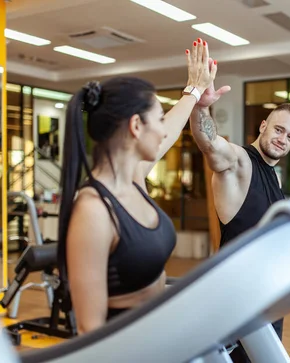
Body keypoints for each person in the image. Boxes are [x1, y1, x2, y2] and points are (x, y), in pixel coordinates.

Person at [58, 38, 219, 335]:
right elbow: (89, 329)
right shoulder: (94, 210)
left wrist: (194, 92)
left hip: (161, 335)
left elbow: (170, 131)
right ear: (135, 126)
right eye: (158, 119)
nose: (163, 129)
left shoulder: (133, 179)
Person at [189, 94, 290, 361]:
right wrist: (201, 105)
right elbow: (211, 145)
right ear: (263, 125)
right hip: (238, 298)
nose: (282, 139)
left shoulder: (272, 176)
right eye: (278, 129)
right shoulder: (240, 162)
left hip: (268, 297)